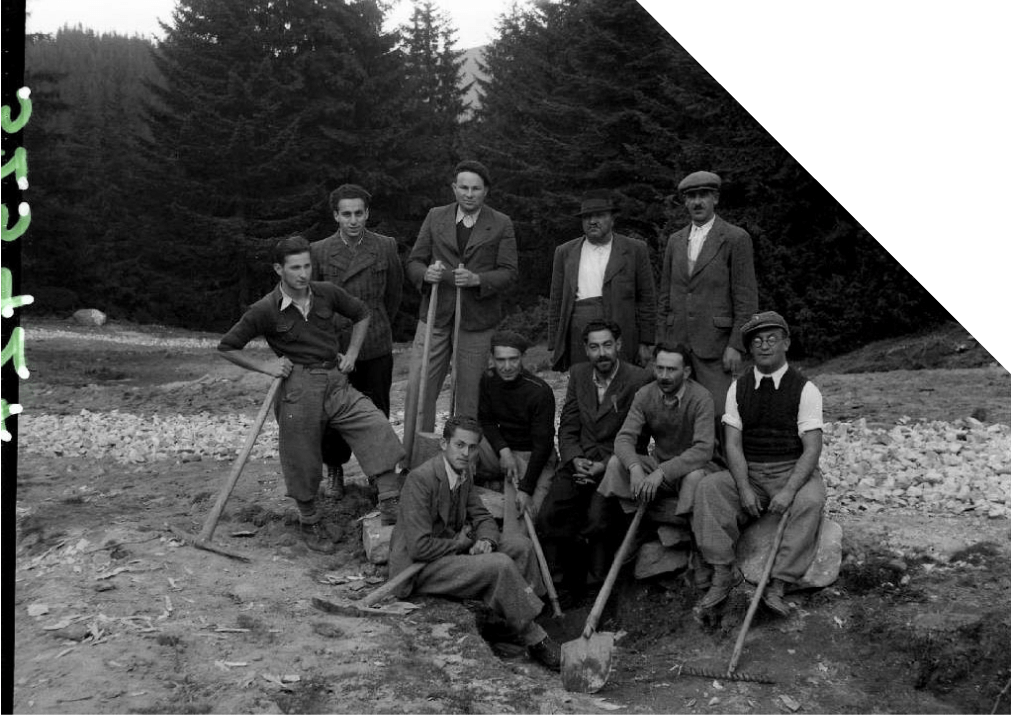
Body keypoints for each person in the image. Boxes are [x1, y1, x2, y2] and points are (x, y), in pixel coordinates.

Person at [217, 236, 406, 552]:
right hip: (298, 387)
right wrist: (267, 367)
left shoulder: (327, 293)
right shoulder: (265, 309)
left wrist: (353, 353)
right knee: (301, 454)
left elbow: (362, 313)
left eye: (307, 265)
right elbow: (227, 346)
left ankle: (389, 501)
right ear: (279, 269)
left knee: (373, 423)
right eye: (295, 268)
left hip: (335, 380)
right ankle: (310, 520)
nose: (303, 274)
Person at [387, 415, 561, 671]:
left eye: (472, 447)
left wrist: (487, 540)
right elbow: (419, 547)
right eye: (459, 445)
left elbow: (482, 517)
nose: (466, 453)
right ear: (444, 444)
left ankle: (507, 627)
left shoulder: (463, 474)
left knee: (520, 545)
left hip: (449, 552)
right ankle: (536, 639)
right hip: (418, 568)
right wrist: (465, 545)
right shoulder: (420, 480)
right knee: (499, 565)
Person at [691, 311, 826, 616]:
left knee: (811, 502)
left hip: (792, 470)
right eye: (757, 341)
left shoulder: (805, 389)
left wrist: (789, 491)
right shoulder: (737, 388)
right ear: (750, 349)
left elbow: (812, 448)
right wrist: (743, 488)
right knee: (708, 488)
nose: (764, 346)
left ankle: (778, 583)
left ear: (786, 343)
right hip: (751, 472)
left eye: (772, 339)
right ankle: (723, 574)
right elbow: (733, 444)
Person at [402, 160, 518, 450]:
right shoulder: (435, 216)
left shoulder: (501, 223)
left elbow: (509, 272)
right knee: (420, 389)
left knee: (469, 396)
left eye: (475, 188)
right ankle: (415, 458)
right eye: (463, 187)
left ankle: (465, 465)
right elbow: (414, 260)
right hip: (435, 317)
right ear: (454, 188)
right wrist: (425, 274)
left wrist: (478, 279)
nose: (469, 194)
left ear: (486, 191)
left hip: (476, 322)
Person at [535, 319, 652, 603]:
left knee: (598, 520)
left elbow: (639, 438)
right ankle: (561, 588)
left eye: (607, 346)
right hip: (579, 462)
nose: (602, 353)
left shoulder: (638, 379)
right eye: (595, 347)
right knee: (550, 513)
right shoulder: (578, 374)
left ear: (619, 346)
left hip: (616, 464)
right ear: (586, 350)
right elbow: (568, 425)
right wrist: (574, 458)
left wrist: (605, 464)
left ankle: (594, 590)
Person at [311, 184, 404, 501]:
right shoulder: (319, 251)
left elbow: (393, 295)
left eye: (359, 213)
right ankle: (334, 470)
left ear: (368, 214)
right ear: (336, 215)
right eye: (346, 214)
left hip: (375, 343)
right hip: (333, 347)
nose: (353, 220)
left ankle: (377, 473)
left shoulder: (385, 247)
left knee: (376, 410)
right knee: (331, 412)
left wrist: (375, 323)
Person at [590, 342, 715, 561]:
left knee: (695, 477)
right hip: (661, 466)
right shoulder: (645, 394)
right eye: (659, 368)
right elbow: (624, 438)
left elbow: (703, 450)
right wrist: (636, 467)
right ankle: (637, 528)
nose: (664, 376)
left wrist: (661, 473)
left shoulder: (701, 398)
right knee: (615, 464)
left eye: (671, 369)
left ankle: (694, 545)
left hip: (693, 469)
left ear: (686, 372)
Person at [657, 171, 758, 444]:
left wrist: (737, 343)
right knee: (680, 413)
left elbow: (746, 297)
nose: (697, 202)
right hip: (678, 343)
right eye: (691, 197)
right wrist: (661, 343)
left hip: (716, 345)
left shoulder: (735, 238)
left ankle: (725, 472)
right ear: (685, 202)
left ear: (715, 198)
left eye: (703, 195)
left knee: (720, 413)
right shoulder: (675, 241)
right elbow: (665, 295)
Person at [547, 189, 656, 372]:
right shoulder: (565, 252)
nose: (592, 221)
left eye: (600, 216)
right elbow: (557, 300)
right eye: (587, 217)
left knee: (624, 386)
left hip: (622, 330)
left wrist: (646, 342)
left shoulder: (635, 250)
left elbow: (646, 299)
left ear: (612, 219)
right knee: (583, 385)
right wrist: (554, 344)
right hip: (579, 332)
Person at [475, 330, 557, 538]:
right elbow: (486, 421)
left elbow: (543, 446)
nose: (507, 367)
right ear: (492, 359)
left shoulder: (540, 392)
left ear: (522, 358)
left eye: (513, 359)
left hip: (532, 456)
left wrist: (526, 489)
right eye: (501, 360)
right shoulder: (488, 380)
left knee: (521, 524)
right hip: (502, 450)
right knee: (462, 446)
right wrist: (503, 451)